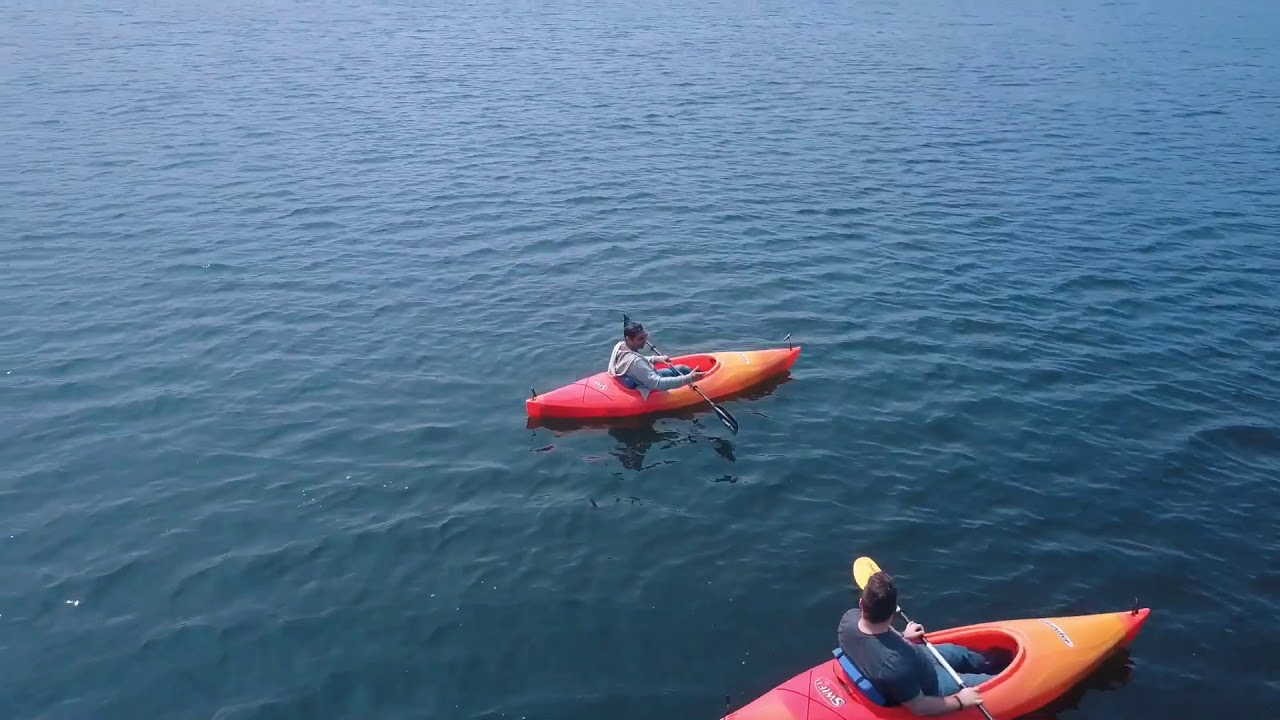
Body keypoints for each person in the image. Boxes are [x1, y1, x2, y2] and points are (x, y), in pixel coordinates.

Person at [837, 571, 1007, 716]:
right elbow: (919, 707)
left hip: (919, 655)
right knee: (991, 683)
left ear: (861, 605)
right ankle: (1003, 672)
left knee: (961, 654)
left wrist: (904, 636)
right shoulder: (893, 665)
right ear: (892, 613)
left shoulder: (848, 619)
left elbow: (878, 635)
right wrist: (960, 700)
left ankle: (993, 661)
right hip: (932, 684)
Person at [607, 319, 705, 398]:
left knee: (680, 368)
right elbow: (658, 384)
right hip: (646, 384)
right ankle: (704, 378)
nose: (645, 341)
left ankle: (699, 376)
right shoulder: (636, 363)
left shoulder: (620, 346)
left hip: (635, 378)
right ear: (629, 339)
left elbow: (633, 362)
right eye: (640, 339)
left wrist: (656, 359)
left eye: (645, 336)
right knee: (682, 370)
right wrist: (689, 378)